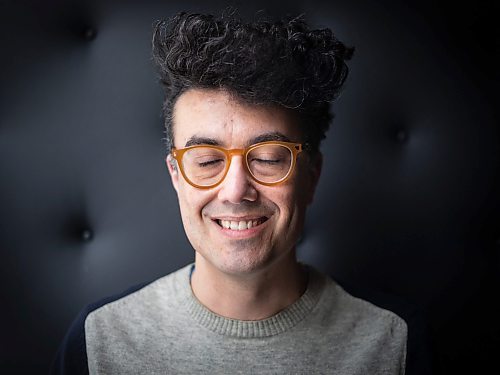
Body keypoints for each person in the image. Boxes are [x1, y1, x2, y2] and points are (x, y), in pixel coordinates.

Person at [51, 10, 413, 374]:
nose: (236, 190)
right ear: (176, 176)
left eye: (269, 158)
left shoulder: (393, 342)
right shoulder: (98, 341)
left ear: (311, 176)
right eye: (207, 160)